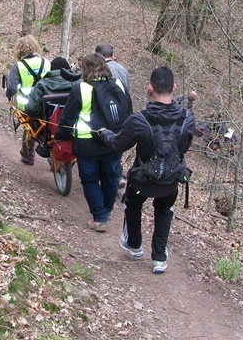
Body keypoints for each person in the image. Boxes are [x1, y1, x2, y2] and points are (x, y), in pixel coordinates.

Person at [99, 66, 196, 273]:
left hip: (141, 181)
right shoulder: (187, 119)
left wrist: (104, 133)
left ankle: (134, 245)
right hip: (170, 181)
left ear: (150, 88)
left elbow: (118, 144)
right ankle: (159, 259)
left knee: (132, 203)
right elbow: (184, 148)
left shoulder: (138, 120)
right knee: (164, 210)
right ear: (174, 87)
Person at [55, 53, 131, 233]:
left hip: (87, 143)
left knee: (90, 180)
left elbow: (68, 117)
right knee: (110, 177)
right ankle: (108, 210)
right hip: (114, 141)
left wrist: (60, 134)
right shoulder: (119, 84)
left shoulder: (80, 88)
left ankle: (99, 218)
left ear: (85, 69)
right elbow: (128, 111)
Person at [5, 35, 50, 165]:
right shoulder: (46, 63)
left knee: (29, 129)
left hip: (27, 105)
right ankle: (53, 159)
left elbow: (12, 88)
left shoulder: (18, 66)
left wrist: (8, 94)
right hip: (46, 103)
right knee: (48, 129)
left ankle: (28, 156)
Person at [95, 43, 131, 188]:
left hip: (107, 112)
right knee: (117, 145)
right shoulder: (123, 69)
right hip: (122, 114)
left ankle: (111, 178)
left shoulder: (100, 71)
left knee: (105, 144)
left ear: (98, 56)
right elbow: (128, 91)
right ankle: (117, 175)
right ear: (113, 55)